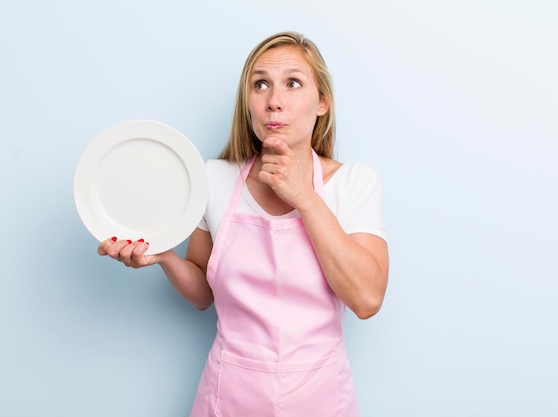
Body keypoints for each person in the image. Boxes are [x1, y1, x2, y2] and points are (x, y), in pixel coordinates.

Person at [98, 31, 389, 417]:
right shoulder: (214, 179)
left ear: (322, 103)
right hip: (229, 396)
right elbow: (204, 294)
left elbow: (367, 300)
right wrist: (165, 255)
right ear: (247, 103)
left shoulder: (354, 182)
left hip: (320, 397)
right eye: (260, 84)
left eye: (293, 83)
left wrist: (303, 195)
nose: (274, 101)